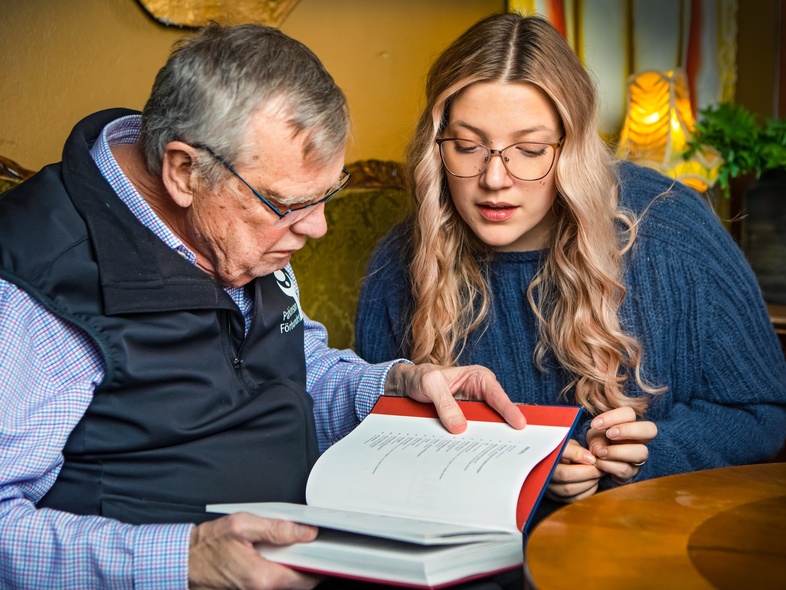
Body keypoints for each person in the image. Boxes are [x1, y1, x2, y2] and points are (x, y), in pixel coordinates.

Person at [0, 23, 527, 589]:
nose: (317, 227)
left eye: (326, 196)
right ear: (183, 172)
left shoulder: (236, 229)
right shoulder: (34, 290)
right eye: (288, 204)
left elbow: (291, 370)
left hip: (310, 556)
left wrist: (394, 386)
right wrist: (187, 560)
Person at [356, 12, 786, 510]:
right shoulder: (398, 262)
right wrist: (521, 471)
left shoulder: (672, 227)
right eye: (468, 146)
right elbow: (378, 450)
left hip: (647, 536)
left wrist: (648, 456)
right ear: (437, 147)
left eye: (531, 149)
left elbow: (764, 410)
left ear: (573, 147)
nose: (495, 178)